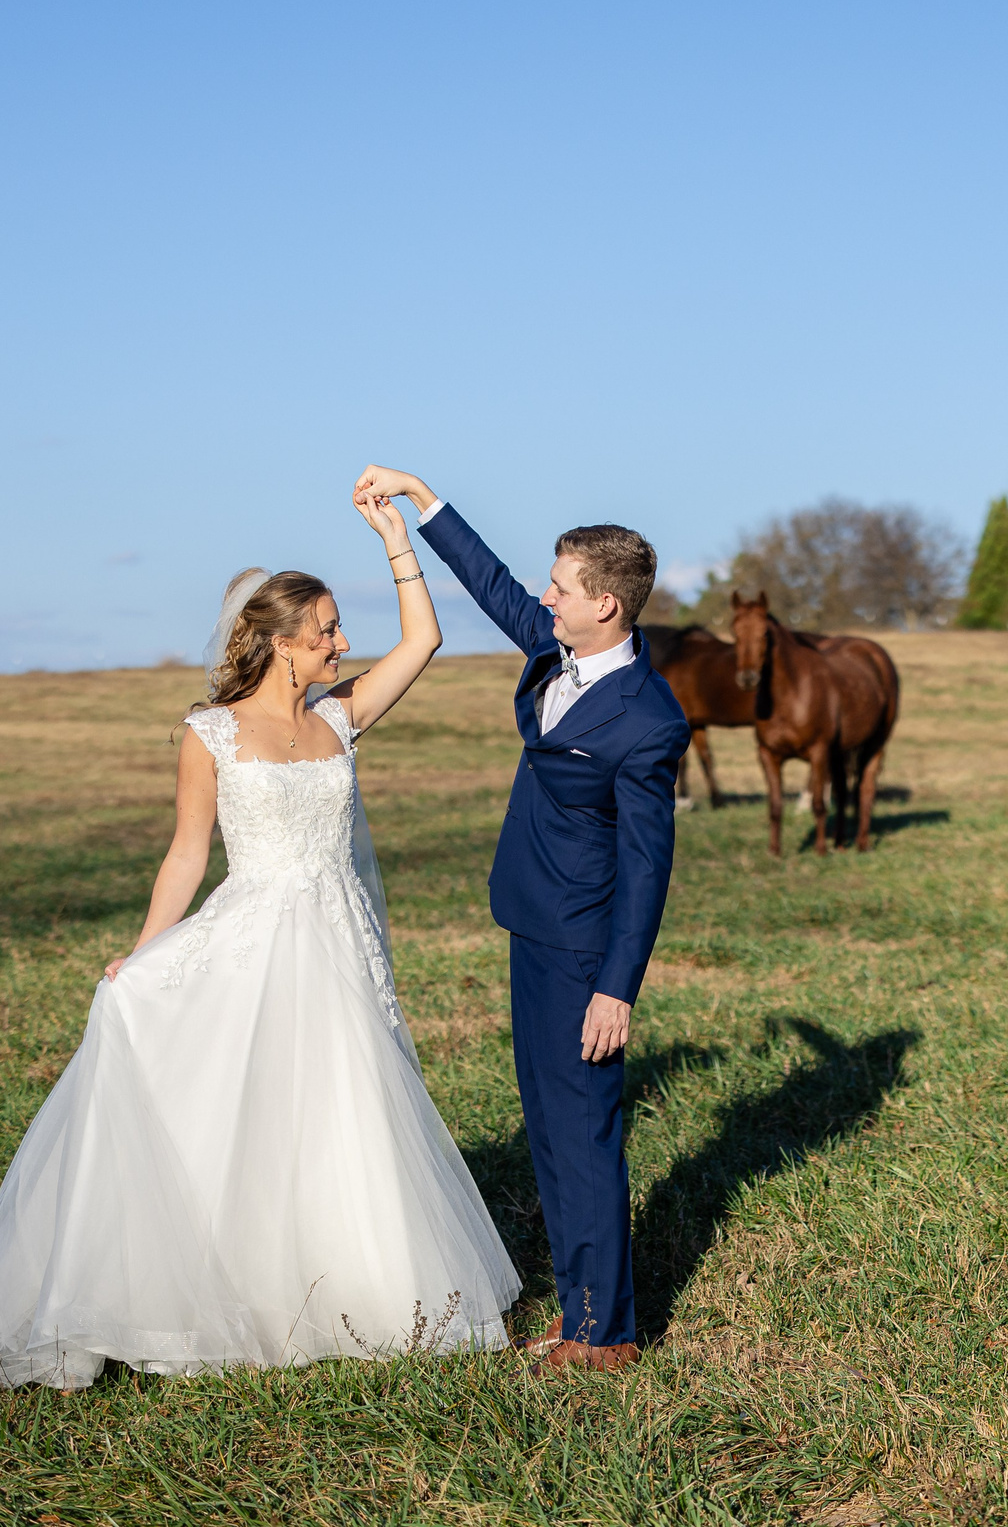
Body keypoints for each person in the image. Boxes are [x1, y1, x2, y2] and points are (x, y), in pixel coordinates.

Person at [0, 488, 520, 1389]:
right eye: (325, 631)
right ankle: (209, 1285)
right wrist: (143, 953)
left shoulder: (338, 719)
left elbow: (423, 642)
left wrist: (398, 540)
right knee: (238, 1106)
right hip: (253, 937)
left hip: (337, 946)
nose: (340, 644)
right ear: (279, 640)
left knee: (339, 1112)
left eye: (339, 630)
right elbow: (187, 854)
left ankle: (350, 1285)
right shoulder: (210, 733)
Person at [352, 464, 687, 1374]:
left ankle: (603, 1332)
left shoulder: (648, 721)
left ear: (608, 606)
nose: (546, 597)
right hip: (529, 924)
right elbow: (494, 585)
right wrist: (427, 505)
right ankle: (582, 1307)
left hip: (585, 947)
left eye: (563, 587)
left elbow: (648, 867)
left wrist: (617, 988)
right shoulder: (557, 649)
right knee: (548, 1123)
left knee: (584, 1134)